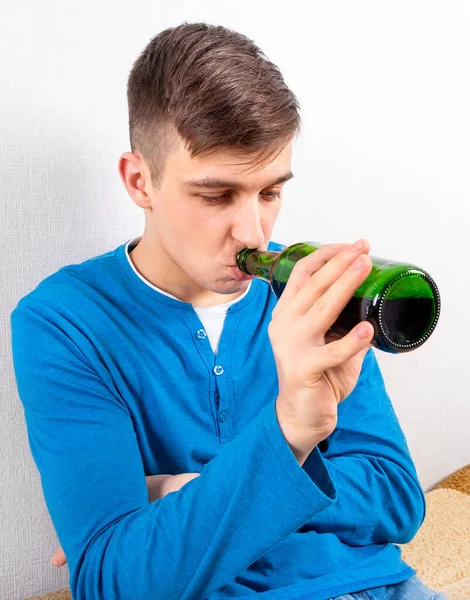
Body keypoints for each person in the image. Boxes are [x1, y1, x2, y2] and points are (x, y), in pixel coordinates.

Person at [10, 22, 446, 600]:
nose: (255, 231)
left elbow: (397, 500)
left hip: (383, 587)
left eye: (270, 192)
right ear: (140, 180)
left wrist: (185, 489)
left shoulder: (307, 288)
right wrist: (290, 434)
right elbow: (113, 579)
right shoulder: (65, 323)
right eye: (217, 196)